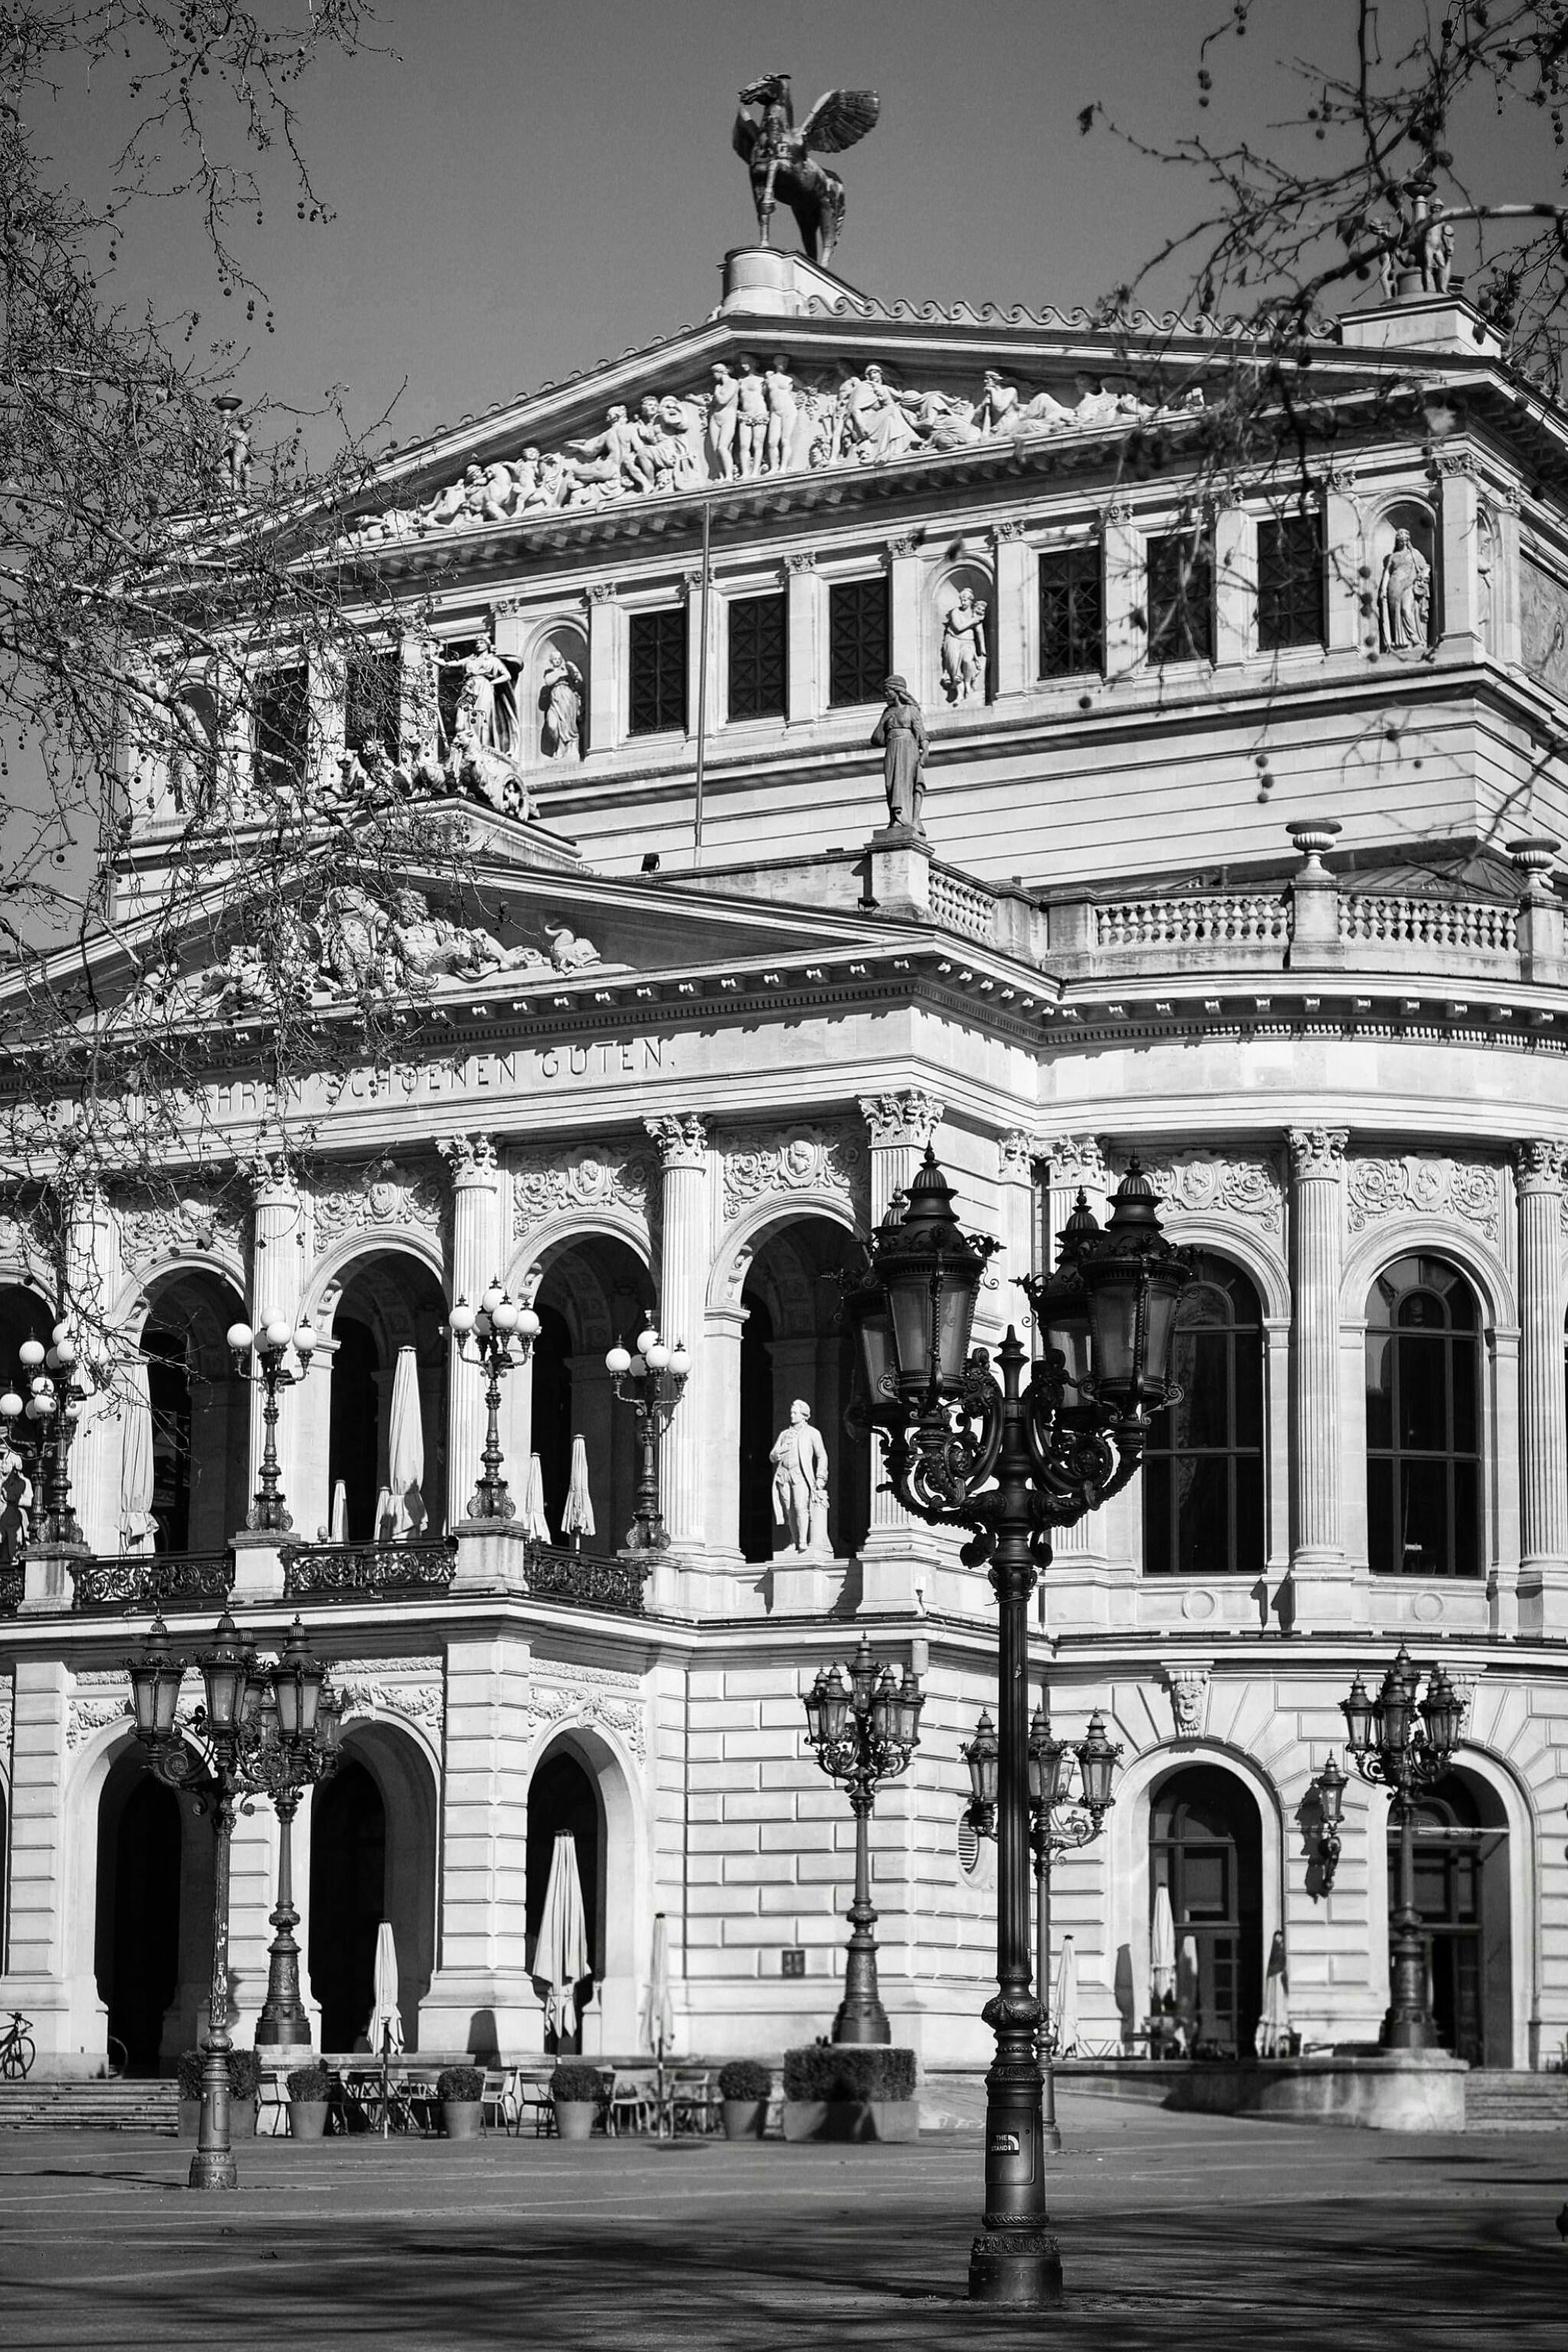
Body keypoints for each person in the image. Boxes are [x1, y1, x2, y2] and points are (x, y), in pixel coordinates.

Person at [439, 632, 518, 758]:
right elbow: (448, 664)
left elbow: (507, 676)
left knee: (482, 721)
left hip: (484, 687)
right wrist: (430, 657)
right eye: (477, 643)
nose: (478, 645)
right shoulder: (469, 660)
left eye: (481, 643)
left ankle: (482, 750)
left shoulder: (492, 660)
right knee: (461, 722)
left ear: (487, 645)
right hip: (468, 688)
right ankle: (464, 747)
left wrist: (492, 683)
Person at [769, 1399, 830, 1557]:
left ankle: (803, 1540)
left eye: (795, 1413)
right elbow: (773, 1456)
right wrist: (781, 1450)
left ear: (804, 1415)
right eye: (791, 1412)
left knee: (800, 1507)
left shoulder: (812, 1433)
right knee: (789, 1510)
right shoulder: (784, 1434)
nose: (792, 1415)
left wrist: (821, 1477)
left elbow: (822, 1455)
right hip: (784, 1475)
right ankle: (794, 1541)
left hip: (800, 1474)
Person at [871, 675, 929, 831]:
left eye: (888, 691)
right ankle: (894, 817)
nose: (886, 694)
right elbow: (876, 739)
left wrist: (925, 753)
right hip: (892, 748)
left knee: (906, 783)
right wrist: (884, 720)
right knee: (891, 784)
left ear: (897, 691)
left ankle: (904, 819)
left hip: (908, 748)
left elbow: (921, 734)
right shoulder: (888, 712)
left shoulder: (911, 710)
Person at [1378, 527, 1432, 651]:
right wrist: (1383, 589)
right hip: (1394, 585)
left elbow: (1426, 567)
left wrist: (1424, 576)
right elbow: (1387, 572)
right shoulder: (1393, 556)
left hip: (1409, 584)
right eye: (1400, 540)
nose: (1403, 542)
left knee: (1406, 609)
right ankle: (1401, 642)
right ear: (1397, 541)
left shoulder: (1415, 554)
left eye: (1405, 540)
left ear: (1408, 540)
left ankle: (1414, 637)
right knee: (1396, 613)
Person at [942, 588, 988, 702]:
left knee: (968, 660)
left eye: (966, 600)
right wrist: (973, 621)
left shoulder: (975, 613)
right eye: (962, 600)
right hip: (953, 640)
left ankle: (968, 685)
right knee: (954, 669)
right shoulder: (955, 612)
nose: (963, 603)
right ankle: (960, 694)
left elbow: (979, 631)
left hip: (968, 641)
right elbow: (958, 628)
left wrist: (982, 647)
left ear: (971, 601)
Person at [541, 646, 583, 760]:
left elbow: (580, 681)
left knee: (568, 725)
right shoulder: (550, 673)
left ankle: (566, 748)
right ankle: (556, 746)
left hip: (567, 698)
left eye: (559, 658)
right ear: (551, 661)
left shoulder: (567, 672)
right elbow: (548, 681)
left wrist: (574, 671)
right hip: (554, 701)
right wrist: (561, 673)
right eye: (555, 659)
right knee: (552, 726)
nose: (557, 660)